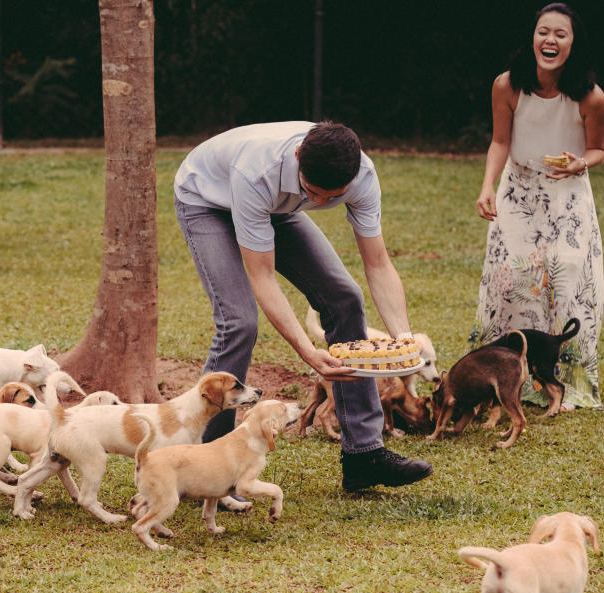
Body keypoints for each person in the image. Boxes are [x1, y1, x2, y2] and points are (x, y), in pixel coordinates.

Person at [174, 120, 432, 492]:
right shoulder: (257, 171)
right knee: (239, 322)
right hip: (207, 200)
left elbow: (377, 262)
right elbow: (262, 277)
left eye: (333, 197)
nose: (324, 204)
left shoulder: (362, 174)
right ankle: (202, 465)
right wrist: (307, 350)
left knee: (344, 298)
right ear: (298, 158)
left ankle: (364, 455)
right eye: (315, 193)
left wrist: (403, 338)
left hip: (279, 207)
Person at [471, 2, 604, 410]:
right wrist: (487, 186)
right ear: (533, 38)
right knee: (511, 279)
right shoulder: (508, 85)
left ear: (573, 43)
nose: (550, 40)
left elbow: (598, 149)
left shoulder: (591, 97)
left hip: (567, 195)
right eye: (543, 32)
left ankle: (564, 379)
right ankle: (504, 375)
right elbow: (500, 141)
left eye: (560, 34)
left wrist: (580, 163)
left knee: (565, 279)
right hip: (519, 191)